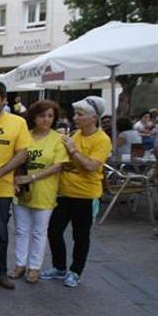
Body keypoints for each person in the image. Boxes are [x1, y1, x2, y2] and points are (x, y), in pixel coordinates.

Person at [42, 96, 112, 287]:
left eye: (80, 114)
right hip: (65, 194)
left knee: (80, 236)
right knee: (54, 231)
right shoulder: (75, 134)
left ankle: (75, 271)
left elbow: (91, 166)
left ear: (93, 117)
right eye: (76, 114)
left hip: (85, 196)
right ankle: (59, 267)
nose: (75, 117)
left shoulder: (102, 140)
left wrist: (73, 151)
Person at [0, 81, 32, 290]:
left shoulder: (18, 123)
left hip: (2, 187)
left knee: (0, 231)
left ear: (4, 100)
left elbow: (22, 154)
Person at [11, 100, 69, 284]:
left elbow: (58, 166)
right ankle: (20, 264)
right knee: (21, 230)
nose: (46, 120)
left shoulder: (57, 139)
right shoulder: (24, 136)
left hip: (44, 191)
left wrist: (32, 177)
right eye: (42, 115)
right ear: (34, 117)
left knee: (39, 231)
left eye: (50, 116)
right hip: (21, 191)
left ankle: (34, 267)